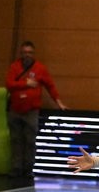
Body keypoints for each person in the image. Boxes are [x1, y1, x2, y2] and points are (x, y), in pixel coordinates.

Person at [5, 40, 68, 180]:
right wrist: (25, 83)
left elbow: (50, 86)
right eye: (24, 52)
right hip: (15, 110)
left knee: (30, 141)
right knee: (16, 141)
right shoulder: (14, 67)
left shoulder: (40, 68)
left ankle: (28, 169)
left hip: (31, 111)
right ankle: (16, 168)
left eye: (30, 53)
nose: (27, 55)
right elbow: (9, 84)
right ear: (21, 54)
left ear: (33, 54)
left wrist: (59, 102)